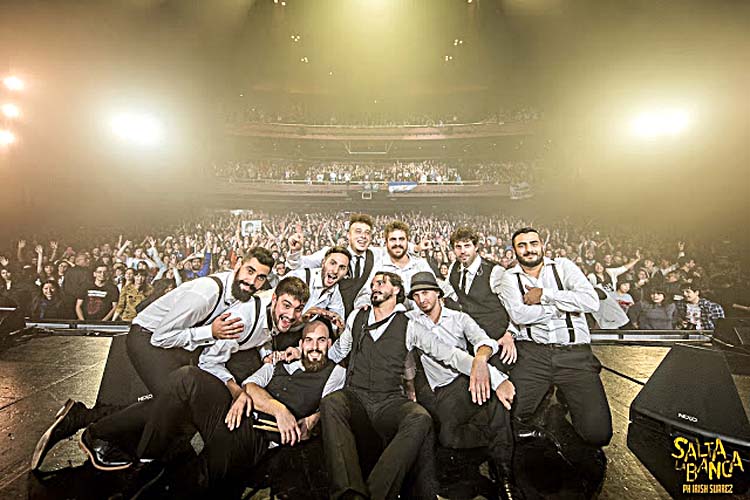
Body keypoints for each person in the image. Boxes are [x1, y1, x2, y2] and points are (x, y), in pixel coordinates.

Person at [30, 247, 274, 471]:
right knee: (175, 400)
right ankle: (96, 432)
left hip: (175, 346)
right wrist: (210, 332)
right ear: (237, 265)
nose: (252, 282)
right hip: (147, 339)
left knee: (176, 402)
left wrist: (269, 353)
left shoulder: (242, 296)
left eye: (260, 277)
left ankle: (82, 417)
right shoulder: (206, 293)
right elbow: (161, 337)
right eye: (249, 271)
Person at [77, 275, 310, 471]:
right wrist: (236, 391)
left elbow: (266, 332)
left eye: (298, 309)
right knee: (168, 402)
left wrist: (268, 353)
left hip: (181, 349)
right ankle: (105, 437)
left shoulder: (276, 315)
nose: (291, 315)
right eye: (286, 306)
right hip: (156, 341)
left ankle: (97, 428)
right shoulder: (241, 321)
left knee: (167, 406)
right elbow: (208, 361)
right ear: (274, 300)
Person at [321, 271, 509, 500]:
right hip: (356, 397)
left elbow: (450, 355)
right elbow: (337, 352)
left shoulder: (410, 325)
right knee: (331, 402)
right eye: (373, 283)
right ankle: (349, 494)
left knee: (420, 417)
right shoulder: (357, 317)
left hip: (388, 401)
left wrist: (497, 378)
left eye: (381, 282)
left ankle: (375, 495)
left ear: (396, 290)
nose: (375, 287)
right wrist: (309, 348)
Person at [129, 318, 346, 498]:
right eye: (309, 340)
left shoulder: (335, 373)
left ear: (329, 344)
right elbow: (250, 386)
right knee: (187, 377)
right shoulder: (277, 364)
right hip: (235, 412)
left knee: (200, 475)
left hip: (257, 436)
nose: (315, 347)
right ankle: (148, 460)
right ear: (301, 344)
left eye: (321, 340)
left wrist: (315, 418)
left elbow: (331, 406)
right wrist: (280, 410)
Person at [406, 272, 519, 499]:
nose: (421, 299)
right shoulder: (410, 320)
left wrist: (481, 359)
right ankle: (500, 441)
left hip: (466, 378)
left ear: (438, 294)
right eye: (416, 295)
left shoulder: (459, 318)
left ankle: (504, 472)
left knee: (497, 402)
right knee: (449, 439)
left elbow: (483, 341)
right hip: (441, 388)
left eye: (425, 293)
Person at [499, 227, 612, 449]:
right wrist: (560, 309)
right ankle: (545, 398)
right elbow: (519, 315)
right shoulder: (509, 277)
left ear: (542, 245)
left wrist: (545, 295)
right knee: (508, 418)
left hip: (574, 355)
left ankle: (565, 400)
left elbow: (591, 302)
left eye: (533, 243)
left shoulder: (563, 267)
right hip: (534, 355)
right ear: (514, 250)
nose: (529, 249)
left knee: (598, 435)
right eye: (522, 245)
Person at [442, 226, 517, 369]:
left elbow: (514, 307)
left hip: (497, 341)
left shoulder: (495, 271)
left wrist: (510, 334)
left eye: (467, 246)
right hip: (471, 341)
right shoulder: (454, 267)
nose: (462, 251)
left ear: (476, 247)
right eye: (458, 247)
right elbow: (451, 293)